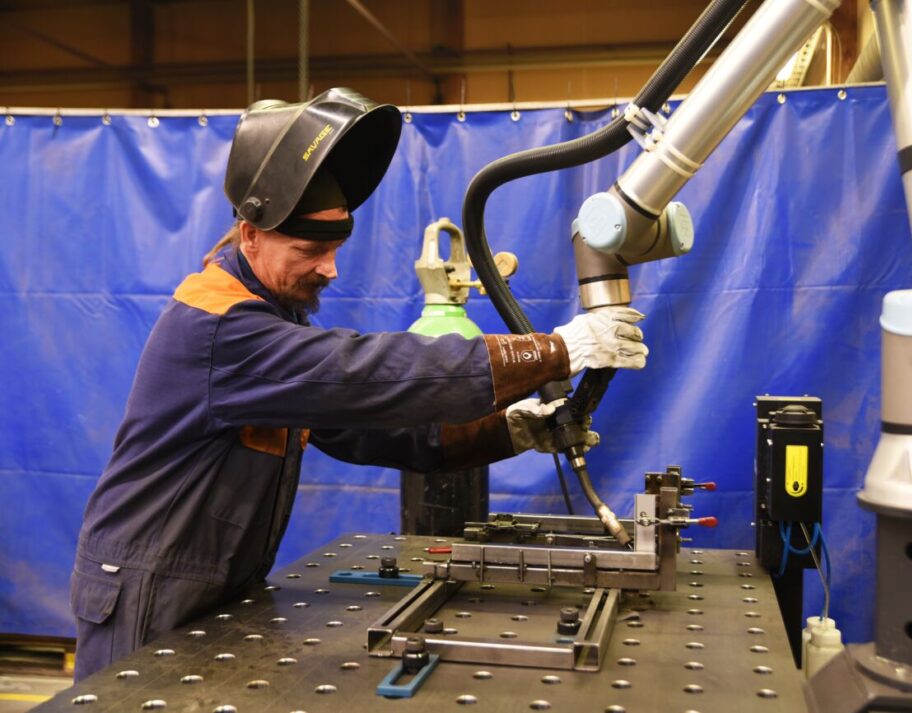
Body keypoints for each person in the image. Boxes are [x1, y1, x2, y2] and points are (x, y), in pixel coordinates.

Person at [69, 88, 648, 681]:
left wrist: (511, 430)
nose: (331, 268)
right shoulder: (219, 328)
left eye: (336, 248)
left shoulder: (271, 320)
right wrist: (556, 350)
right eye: (311, 250)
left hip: (211, 588)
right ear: (250, 236)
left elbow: (376, 432)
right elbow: (365, 373)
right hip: (147, 591)